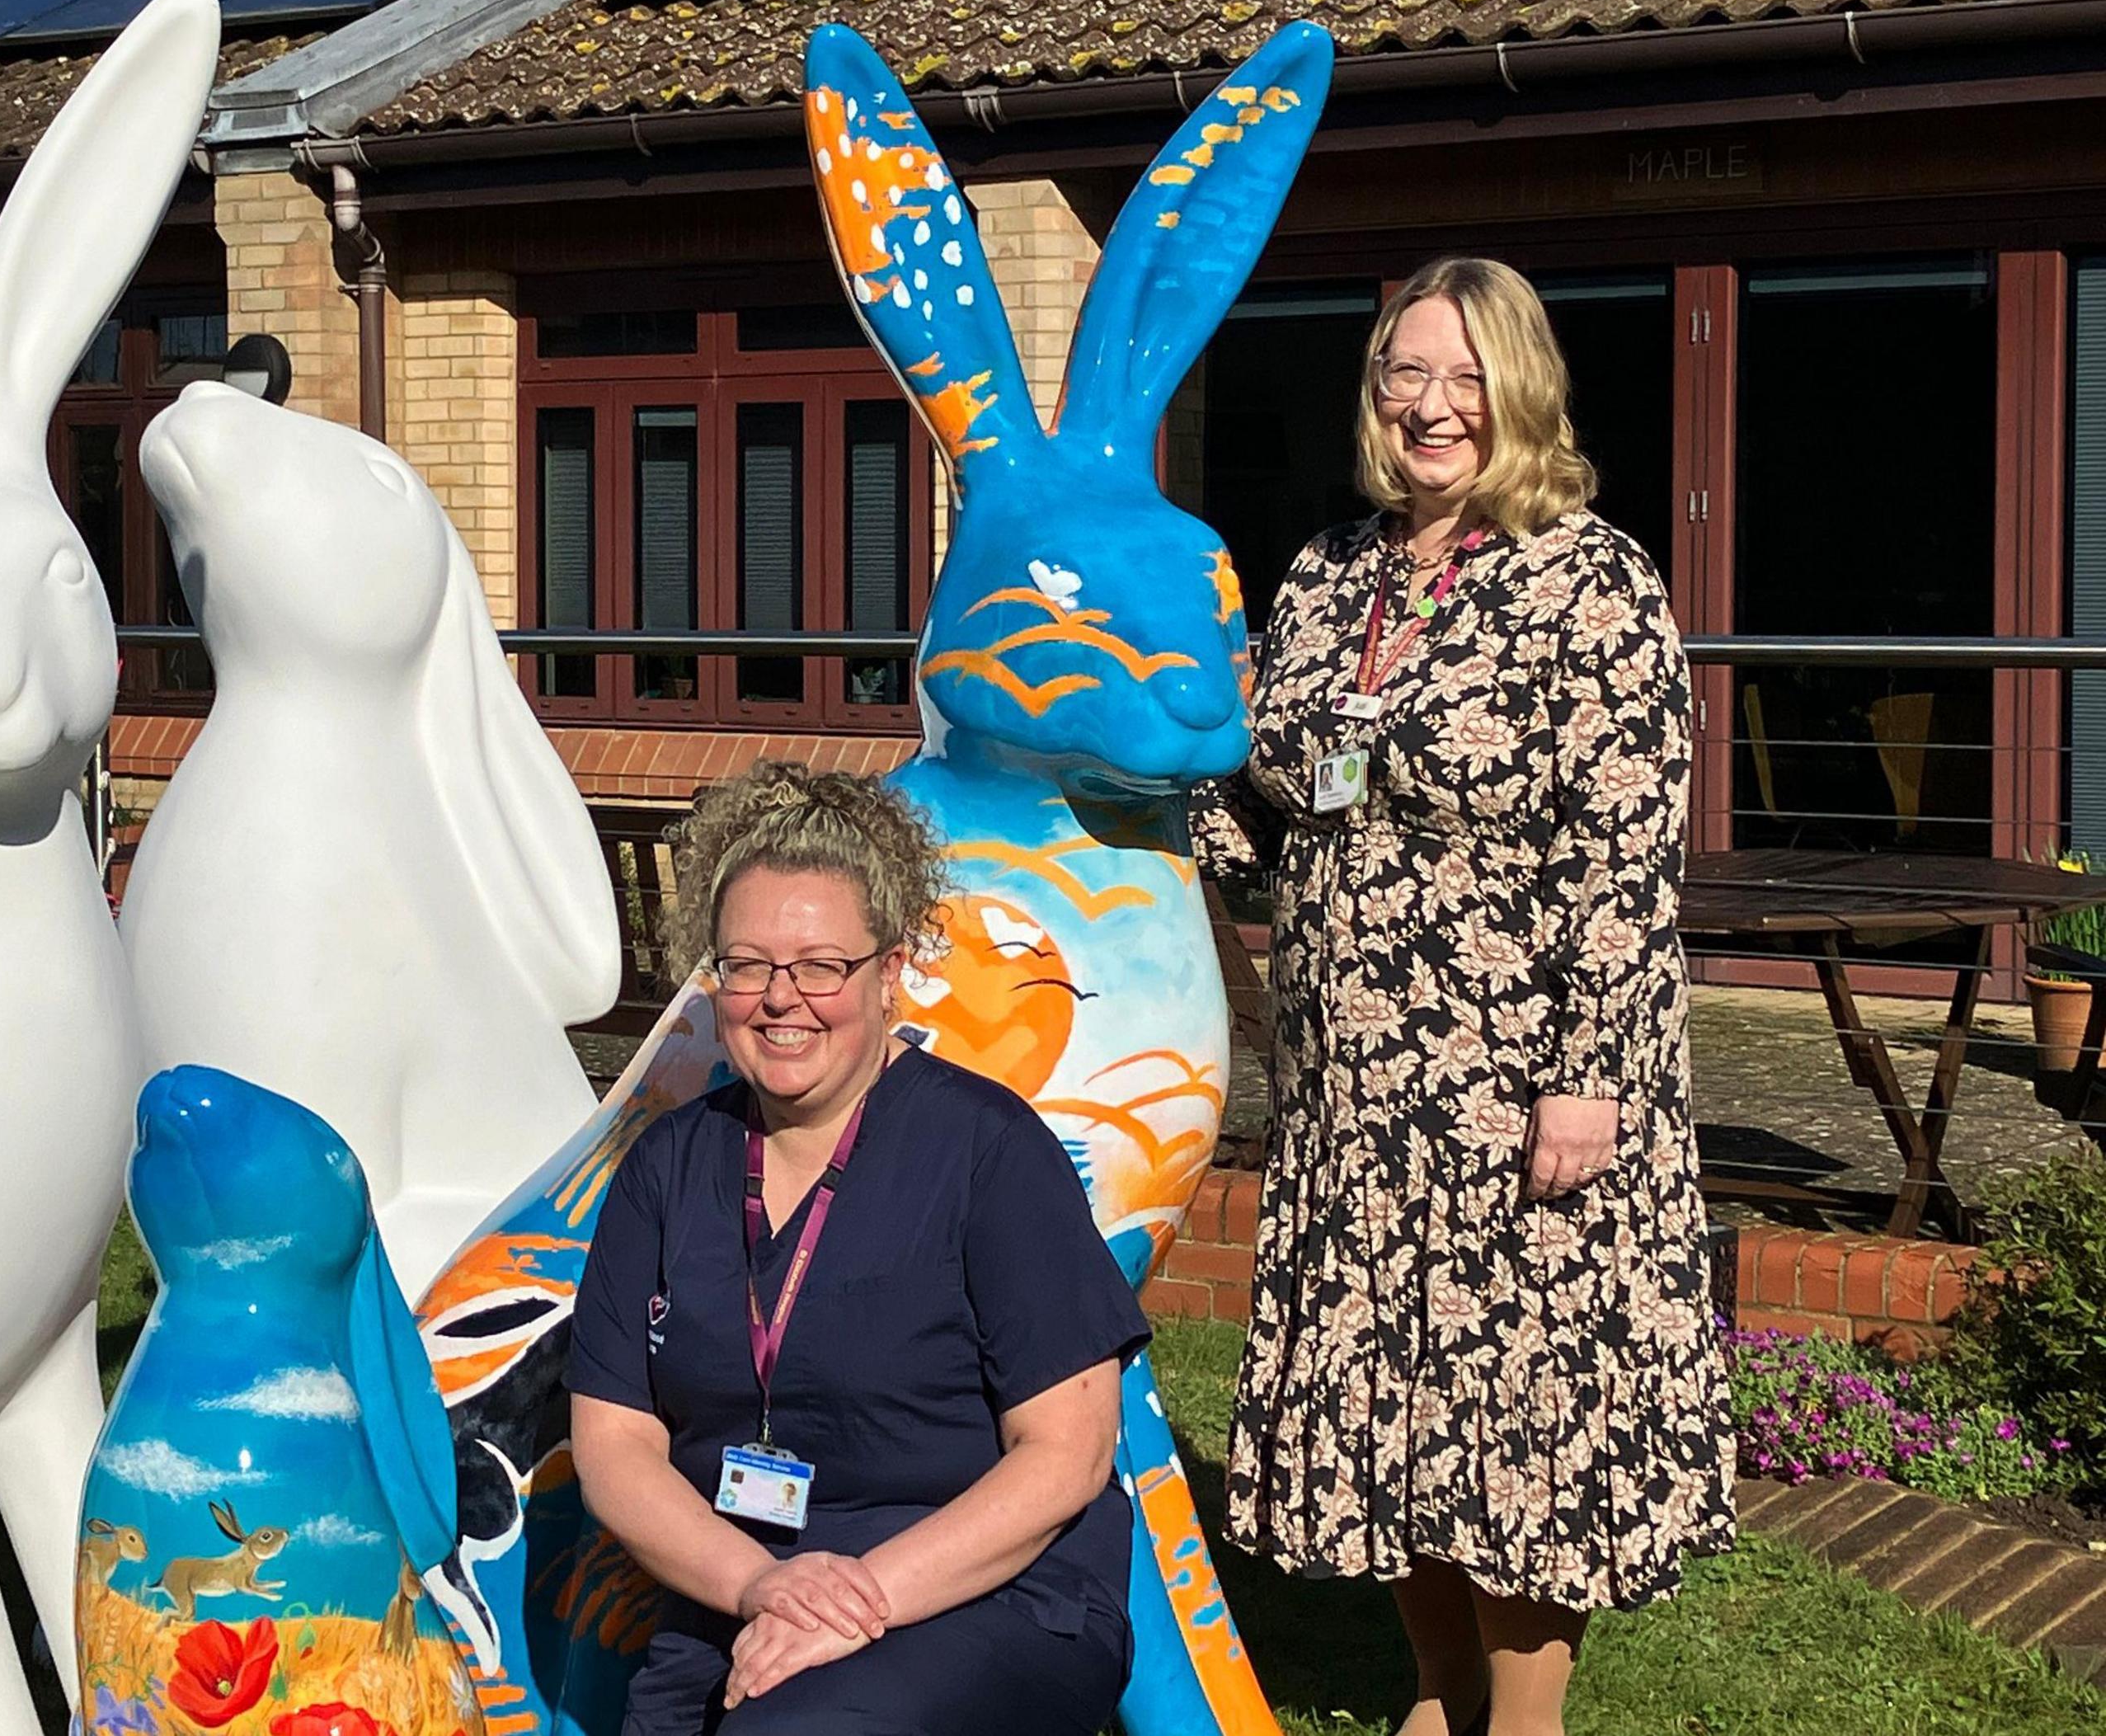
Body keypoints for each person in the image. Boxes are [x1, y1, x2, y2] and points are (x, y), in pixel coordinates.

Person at [1195, 256, 1732, 1736]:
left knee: (1517, 1421)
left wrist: (1588, 1073)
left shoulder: (1592, 578)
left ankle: (1526, 1714)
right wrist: (1128, 807)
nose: (1431, 407)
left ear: (1523, 389)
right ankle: (1435, 1693)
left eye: (1464, 376)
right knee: (1391, 1409)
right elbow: (1278, 798)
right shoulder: (1326, 574)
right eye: (1403, 375)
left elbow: (1627, 852)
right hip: (1358, 1091)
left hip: (1519, 1082)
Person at [568, 762, 1147, 1735]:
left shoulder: (989, 1153)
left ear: (889, 972)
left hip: (979, 1591)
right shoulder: (669, 1164)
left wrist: (858, 1601)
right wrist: (760, 1586)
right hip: (745, 1592)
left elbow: (1067, 1457)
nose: (779, 998)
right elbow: (614, 1446)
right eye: (746, 964)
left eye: (821, 965)